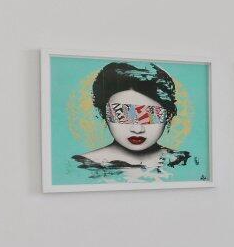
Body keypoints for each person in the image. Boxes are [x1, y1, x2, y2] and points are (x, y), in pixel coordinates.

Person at [72, 61, 201, 177]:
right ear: (103, 113)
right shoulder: (80, 167)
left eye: (151, 115)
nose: (137, 129)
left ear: (169, 115)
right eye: (122, 114)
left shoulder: (188, 163)